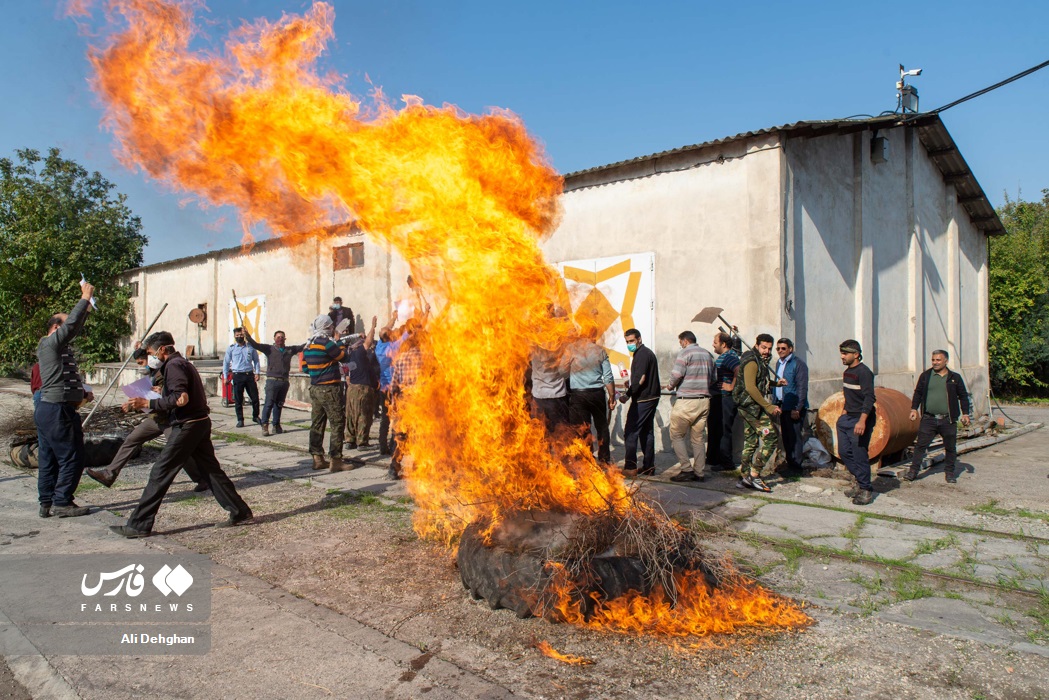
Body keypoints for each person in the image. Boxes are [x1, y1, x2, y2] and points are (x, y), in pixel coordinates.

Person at [110, 332, 252, 538]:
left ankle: (138, 525)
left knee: (160, 471)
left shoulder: (174, 366)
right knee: (210, 471)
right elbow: (179, 393)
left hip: (187, 425)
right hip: (198, 422)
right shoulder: (180, 364)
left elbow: (181, 398)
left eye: (150, 353)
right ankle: (240, 511)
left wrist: (148, 403)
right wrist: (164, 392)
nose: (150, 357)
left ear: (162, 350)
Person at [86, 344, 209, 492]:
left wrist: (158, 392)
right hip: (156, 417)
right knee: (131, 440)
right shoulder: (153, 372)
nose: (144, 364)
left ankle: (202, 479)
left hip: (170, 418)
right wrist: (132, 403)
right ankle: (109, 474)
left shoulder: (170, 367)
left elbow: (175, 394)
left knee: (179, 451)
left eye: (144, 360)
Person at [35, 282, 95, 518]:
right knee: (72, 456)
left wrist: (87, 308)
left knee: (48, 458)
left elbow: (74, 326)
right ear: (56, 327)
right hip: (56, 410)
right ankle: (62, 501)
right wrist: (84, 297)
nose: (72, 326)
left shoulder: (55, 347)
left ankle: (47, 502)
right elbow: (71, 325)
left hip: (50, 409)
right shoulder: (51, 343)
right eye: (66, 321)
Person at [903, 350, 971, 484]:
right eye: (933, 360)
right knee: (920, 446)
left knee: (950, 447)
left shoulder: (954, 378)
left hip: (948, 419)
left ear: (946, 361)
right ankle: (913, 471)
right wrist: (913, 409)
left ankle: (950, 473)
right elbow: (918, 393)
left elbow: (963, 396)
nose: (935, 362)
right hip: (929, 419)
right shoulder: (926, 376)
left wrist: (966, 414)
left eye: (938, 360)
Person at [733, 334, 781, 493]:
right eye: (764, 347)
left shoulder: (759, 360)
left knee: (751, 441)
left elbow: (760, 381)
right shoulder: (752, 361)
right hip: (752, 408)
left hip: (750, 407)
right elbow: (751, 387)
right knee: (771, 437)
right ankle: (754, 475)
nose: (767, 351)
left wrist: (775, 383)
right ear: (757, 345)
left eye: (769, 348)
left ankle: (744, 477)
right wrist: (768, 406)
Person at [666, 331, 717, 482]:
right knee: (698, 438)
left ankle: (686, 469)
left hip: (686, 401)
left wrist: (670, 386)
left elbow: (676, 375)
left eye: (680, 342)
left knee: (676, 435)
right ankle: (699, 473)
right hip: (704, 401)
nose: (680, 344)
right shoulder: (708, 354)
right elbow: (714, 378)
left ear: (685, 341)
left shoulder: (685, 353)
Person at [303, 315, 348, 472]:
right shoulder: (326, 343)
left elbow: (304, 368)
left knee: (317, 423)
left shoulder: (308, 346)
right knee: (337, 423)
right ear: (327, 327)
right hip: (330, 389)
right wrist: (339, 340)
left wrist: (318, 370)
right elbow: (344, 356)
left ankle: (317, 458)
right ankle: (336, 460)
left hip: (315, 388)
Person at [837, 339, 877, 505]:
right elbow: (849, 396)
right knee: (845, 452)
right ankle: (859, 482)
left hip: (860, 419)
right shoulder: (847, 372)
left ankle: (865, 489)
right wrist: (843, 414)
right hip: (847, 418)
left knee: (860, 455)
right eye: (841, 353)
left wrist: (862, 421)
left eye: (845, 353)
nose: (842, 356)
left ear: (856, 354)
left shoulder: (864, 372)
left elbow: (869, 398)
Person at [567, 330, 616, 465]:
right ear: (593, 336)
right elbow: (608, 377)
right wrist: (612, 397)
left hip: (578, 394)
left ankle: (586, 458)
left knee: (582, 428)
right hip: (597, 393)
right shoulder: (600, 351)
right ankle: (604, 459)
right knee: (602, 426)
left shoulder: (572, 350)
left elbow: (561, 370)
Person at [245, 329, 306, 436]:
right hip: (272, 381)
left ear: (285, 339)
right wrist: (248, 336)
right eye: (278, 337)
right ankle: (265, 425)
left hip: (284, 382)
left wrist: (314, 339)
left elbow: (301, 347)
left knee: (279, 404)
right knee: (268, 404)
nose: (280, 339)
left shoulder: (289, 350)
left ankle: (276, 425)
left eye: (282, 337)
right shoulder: (269, 349)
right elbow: (255, 345)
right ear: (274, 339)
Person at [619, 328, 661, 477]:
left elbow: (641, 379)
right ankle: (649, 467)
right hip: (651, 397)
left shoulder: (642, 354)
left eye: (631, 341)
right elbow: (639, 378)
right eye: (627, 342)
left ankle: (630, 466)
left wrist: (627, 394)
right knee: (646, 432)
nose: (629, 344)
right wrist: (631, 385)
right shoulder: (644, 353)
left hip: (644, 398)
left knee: (631, 431)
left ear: (639, 339)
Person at [389, 323, 424, 479]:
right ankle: (417, 468)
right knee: (420, 435)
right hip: (420, 400)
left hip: (404, 400)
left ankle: (394, 467)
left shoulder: (401, 359)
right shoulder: (427, 358)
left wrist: (394, 404)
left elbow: (393, 386)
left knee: (401, 435)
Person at [774, 338, 809, 477]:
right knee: (787, 437)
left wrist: (798, 408)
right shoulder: (779, 363)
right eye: (778, 349)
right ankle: (790, 463)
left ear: (790, 349)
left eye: (783, 348)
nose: (780, 351)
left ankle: (796, 466)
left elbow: (802, 387)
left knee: (795, 437)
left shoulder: (798, 364)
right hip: (783, 405)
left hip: (794, 406)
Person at [345, 316, 379, 449]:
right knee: (364, 415)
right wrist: (373, 327)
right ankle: (362, 442)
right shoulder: (359, 353)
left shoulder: (351, 357)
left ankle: (350, 440)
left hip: (352, 388)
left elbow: (347, 377)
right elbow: (369, 341)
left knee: (351, 414)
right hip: (362, 389)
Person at [375, 313, 406, 456]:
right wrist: (425, 313)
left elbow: (386, 329)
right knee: (396, 417)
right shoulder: (393, 348)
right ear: (390, 337)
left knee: (384, 419)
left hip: (382, 388)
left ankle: (383, 446)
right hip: (392, 388)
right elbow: (411, 333)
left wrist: (393, 317)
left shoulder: (380, 345)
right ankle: (394, 445)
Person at [710, 332, 740, 471]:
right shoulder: (724, 357)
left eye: (715, 342)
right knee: (718, 429)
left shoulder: (729, 357)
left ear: (723, 344)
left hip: (726, 398)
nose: (713, 345)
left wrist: (731, 386)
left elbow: (739, 371)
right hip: (719, 397)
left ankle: (726, 462)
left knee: (723, 430)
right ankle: (716, 459)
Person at [222, 327, 260, 427]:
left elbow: (256, 360)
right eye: (237, 335)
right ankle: (240, 419)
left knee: (255, 398)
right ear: (234, 336)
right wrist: (225, 377)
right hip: (237, 375)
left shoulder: (250, 347)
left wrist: (257, 372)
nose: (239, 337)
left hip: (249, 375)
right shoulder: (231, 348)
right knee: (238, 399)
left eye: (241, 335)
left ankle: (256, 416)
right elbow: (226, 363)